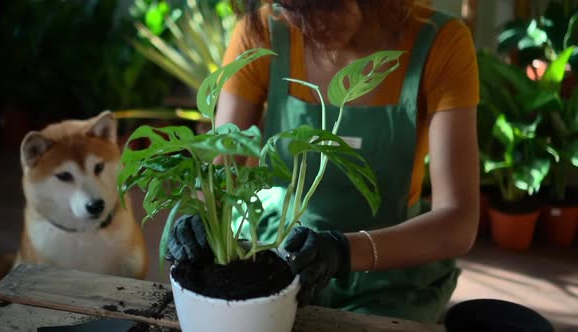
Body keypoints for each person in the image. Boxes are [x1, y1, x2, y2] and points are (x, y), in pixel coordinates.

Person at [167, 0, 479, 323]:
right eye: (286, 6)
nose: (303, 23)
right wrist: (197, 221)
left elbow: (458, 220)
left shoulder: (440, 43)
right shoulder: (264, 33)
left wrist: (343, 251)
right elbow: (219, 169)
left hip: (387, 266)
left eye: (320, 6)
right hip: (272, 251)